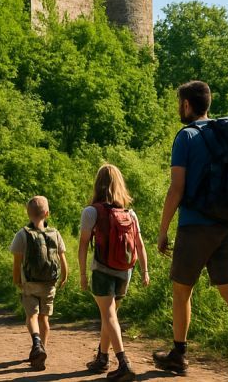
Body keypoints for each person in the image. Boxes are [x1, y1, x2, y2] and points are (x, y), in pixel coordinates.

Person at [153, 80, 228, 382]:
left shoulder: (186, 137)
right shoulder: (223, 135)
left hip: (196, 224)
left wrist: (163, 229)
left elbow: (176, 189)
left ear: (186, 104)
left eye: (179, 102)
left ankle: (178, 355)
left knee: (182, 291)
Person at [79, 164, 150, 382]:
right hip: (124, 272)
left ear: (97, 184)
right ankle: (102, 358)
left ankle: (123, 363)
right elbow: (139, 244)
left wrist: (82, 274)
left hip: (102, 270)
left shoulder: (91, 212)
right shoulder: (130, 213)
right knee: (110, 317)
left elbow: (83, 245)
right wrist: (145, 271)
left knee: (108, 316)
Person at [9, 195, 68, 370]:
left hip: (30, 283)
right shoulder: (55, 233)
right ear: (47, 213)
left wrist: (16, 279)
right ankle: (43, 351)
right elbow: (62, 259)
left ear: (28, 214)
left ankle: (36, 343)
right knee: (44, 318)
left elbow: (17, 262)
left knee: (32, 316)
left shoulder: (22, 235)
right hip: (49, 284)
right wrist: (64, 276)